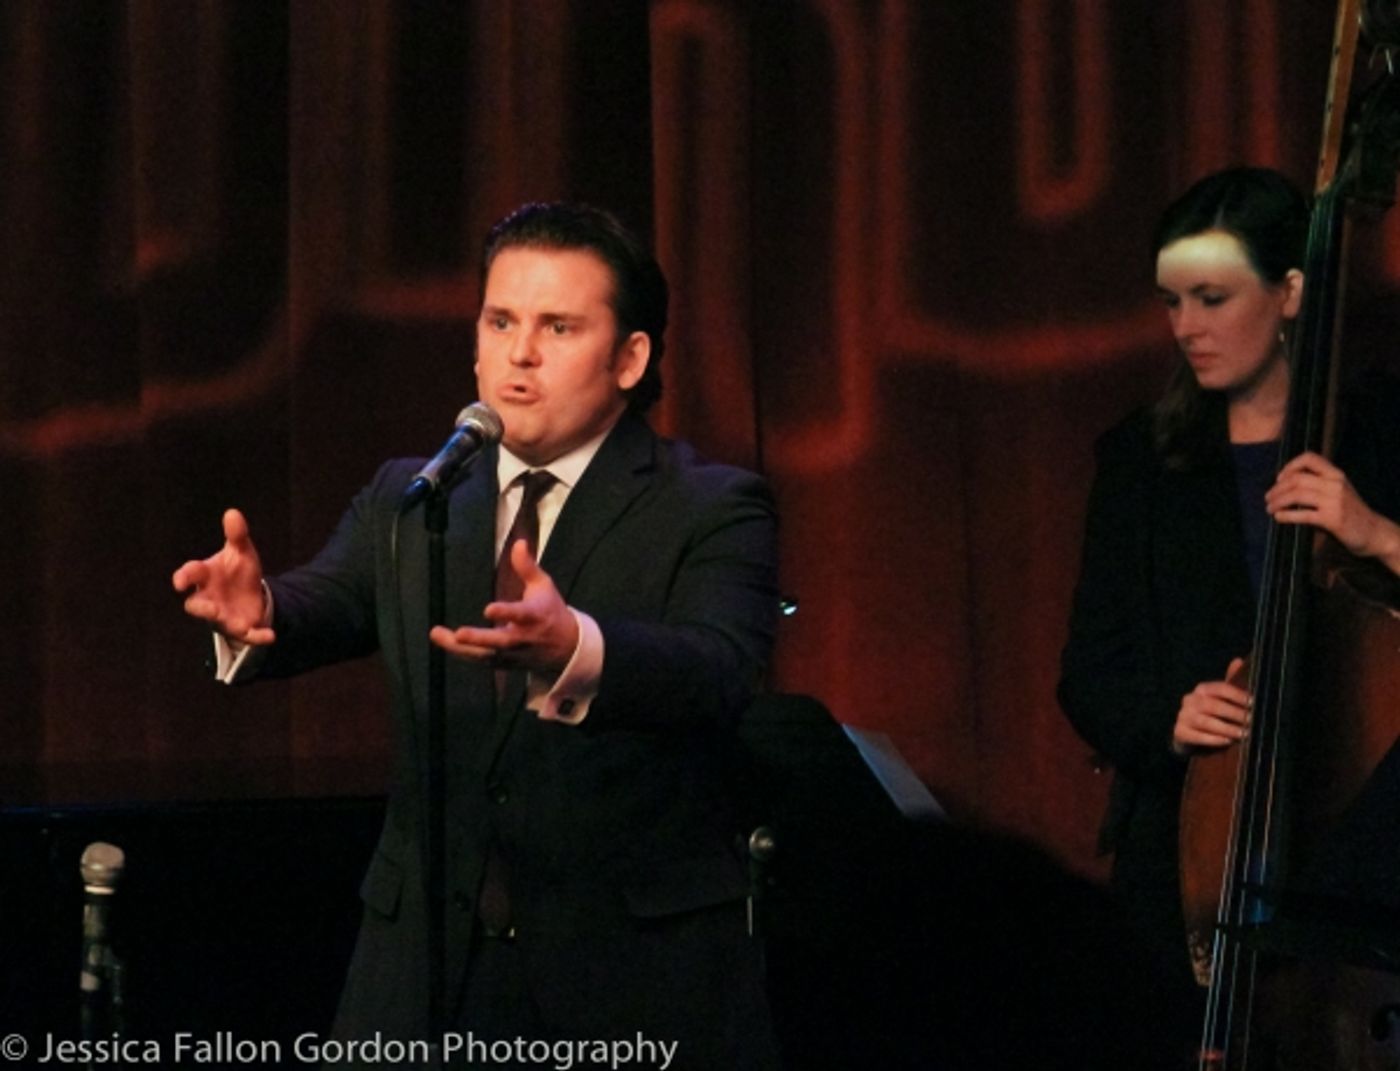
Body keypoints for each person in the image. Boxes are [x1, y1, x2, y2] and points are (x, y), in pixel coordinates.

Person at [173, 202, 782, 1069]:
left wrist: (574, 644)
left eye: (557, 327)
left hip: (625, 975)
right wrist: (258, 610)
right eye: (500, 322)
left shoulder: (711, 505)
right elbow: (335, 596)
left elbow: (720, 667)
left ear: (630, 357)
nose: (519, 354)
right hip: (422, 966)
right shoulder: (416, 494)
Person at [1057, 166, 1400, 1064]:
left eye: (1213, 298)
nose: (1185, 329)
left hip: (1369, 844)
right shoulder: (1142, 460)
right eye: (1173, 302)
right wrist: (1168, 718)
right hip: (1188, 863)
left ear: (1290, 292)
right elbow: (1089, 668)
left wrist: (1376, 530)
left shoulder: (1382, 428)